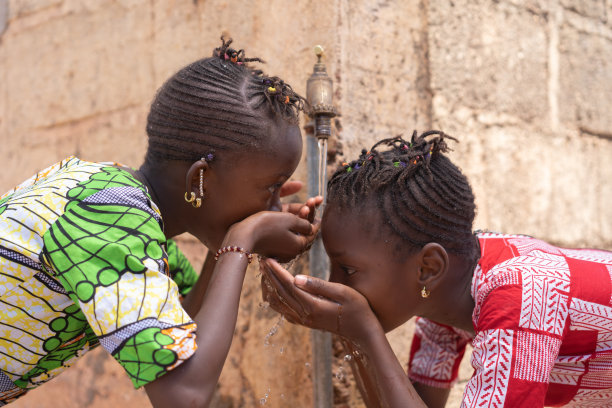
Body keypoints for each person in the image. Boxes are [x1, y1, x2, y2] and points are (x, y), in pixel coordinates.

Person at [0, 37, 321, 407]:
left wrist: (230, 244)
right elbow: (183, 394)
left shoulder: (114, 201)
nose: (276, 207)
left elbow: (181, 325)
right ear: (200, 179)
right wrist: (245, 236)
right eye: (270, 188)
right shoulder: (112, 218)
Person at [261, 130, 612, 407]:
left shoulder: (520, 296)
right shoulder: (447, 297)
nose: (334, 284)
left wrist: (365, 331)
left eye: (348, 270)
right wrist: (354, 331)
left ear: (428, 267)